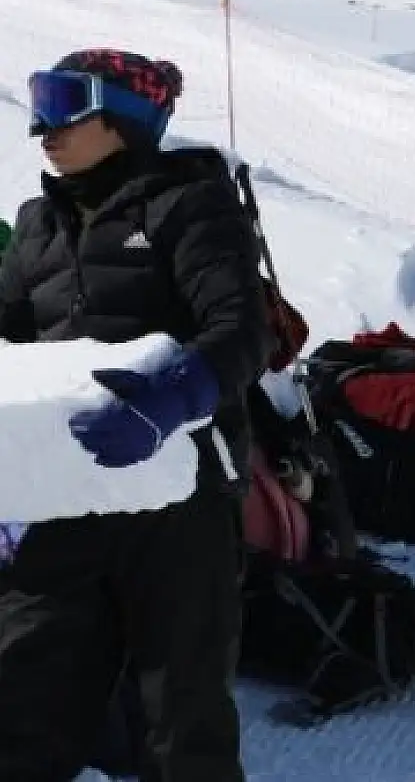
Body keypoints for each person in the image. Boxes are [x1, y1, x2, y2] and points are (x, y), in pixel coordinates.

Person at [0, 49, 270, 779]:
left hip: (180, 499)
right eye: (37, 103)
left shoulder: (191, 204)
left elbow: (243, 329)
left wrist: (171, 397)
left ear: (121, 119)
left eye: (64, 104)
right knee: (23, 701)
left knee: (181, 721)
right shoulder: (35, 227)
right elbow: (7, 349)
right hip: (65, 494)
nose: (42, 128)